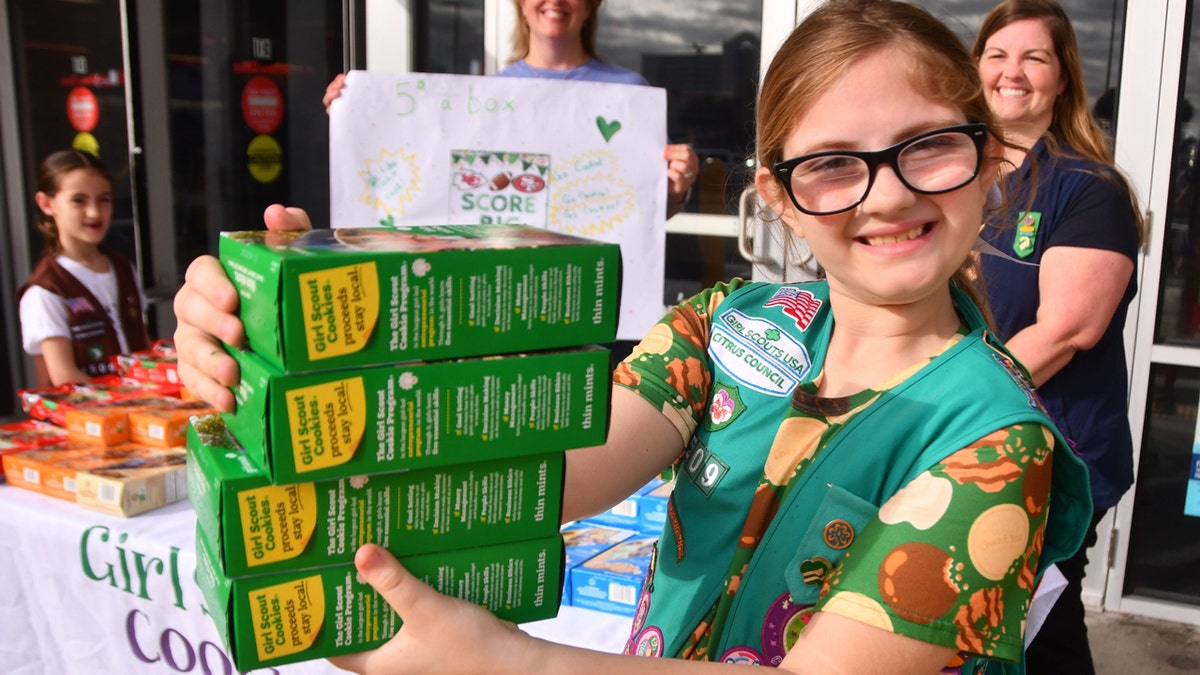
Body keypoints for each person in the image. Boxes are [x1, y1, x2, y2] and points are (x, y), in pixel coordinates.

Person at [176, 1, 1093, 672]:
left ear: (991, 159)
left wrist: (514, 664)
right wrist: (290, 356)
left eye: (929, 145)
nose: (888, 194)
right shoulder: (725, 329)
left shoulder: (994, 443)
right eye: (833, 163)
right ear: (777, 195)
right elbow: (534, 476)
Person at [971, 2, 1144, 673]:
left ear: (1062, 77)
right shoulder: (956, 175)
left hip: (1051, 455)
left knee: (1036, 625)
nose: (1013, 72)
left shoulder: (1088, 189)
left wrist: (938, 403)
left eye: (1034, 58)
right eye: (997, 55)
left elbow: (1067, 330)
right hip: (971, 441)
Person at [321, 0, 699, 219]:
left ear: (591, 6)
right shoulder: (489, 95)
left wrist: (676, 188)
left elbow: (647, 216)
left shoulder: (629, 94)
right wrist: (357, 111)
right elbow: (436, 178)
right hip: (512, 287)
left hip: (603, 295)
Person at [18, 149, 149, 387]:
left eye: (104, 199)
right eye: (79, 200)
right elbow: (65, 378)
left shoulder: (123, 268)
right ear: (47, 203)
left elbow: (142, 341)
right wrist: (132, 398)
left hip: (141, 415)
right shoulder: (45, 290)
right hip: (83, 419)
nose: (94, 212)